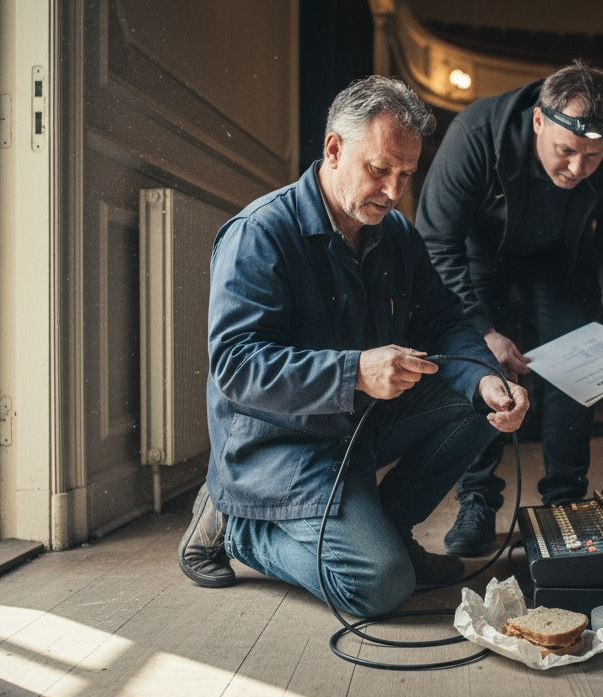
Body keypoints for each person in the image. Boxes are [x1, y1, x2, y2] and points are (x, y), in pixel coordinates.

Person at [178, 76, 529, 618]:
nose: (393, 192)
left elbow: (445, 321)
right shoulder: (260, 233)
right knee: (380, 586)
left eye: (406, 174)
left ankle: (388, 534)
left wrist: (488, 381)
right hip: (279, 448)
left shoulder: (397, 234)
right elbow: (235, 366)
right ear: (334, 149)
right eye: (380, 169)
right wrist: (355, 373)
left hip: (354, 428)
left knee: (476, 401)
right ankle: (242, 527)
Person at [416, 61, 603, 556]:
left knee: (576, 375)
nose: (578, 168)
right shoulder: (476, 133)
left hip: (561, 262)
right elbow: (436, 242)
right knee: (481, 366)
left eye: (593, 156)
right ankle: (477, 500)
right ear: (539, 122)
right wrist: (480, 329)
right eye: (566, 151)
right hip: (480, 254)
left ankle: (565, 505)